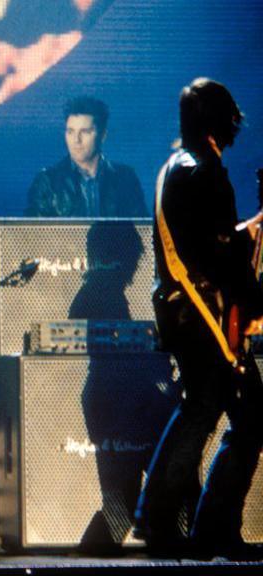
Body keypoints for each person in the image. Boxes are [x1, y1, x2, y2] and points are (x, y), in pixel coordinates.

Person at [134, 78, 263, 561]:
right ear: (216, 120)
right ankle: (184, 522)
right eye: (230, 118)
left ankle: (178, 521)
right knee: (228, 414)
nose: (235, 127)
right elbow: (219, 256)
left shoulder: (176, 167)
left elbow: (207, 240)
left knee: (213, 411)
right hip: (204, 315)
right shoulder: (205, 170)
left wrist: (247, 229)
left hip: (182, 311)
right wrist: (253, 299)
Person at [26, 96, 147, 217]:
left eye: (85, 132)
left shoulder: (125, 178)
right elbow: (34, 234)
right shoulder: (48, 182)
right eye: (70, 132)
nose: (76, 140)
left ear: (103, 135)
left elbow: (141, 231)